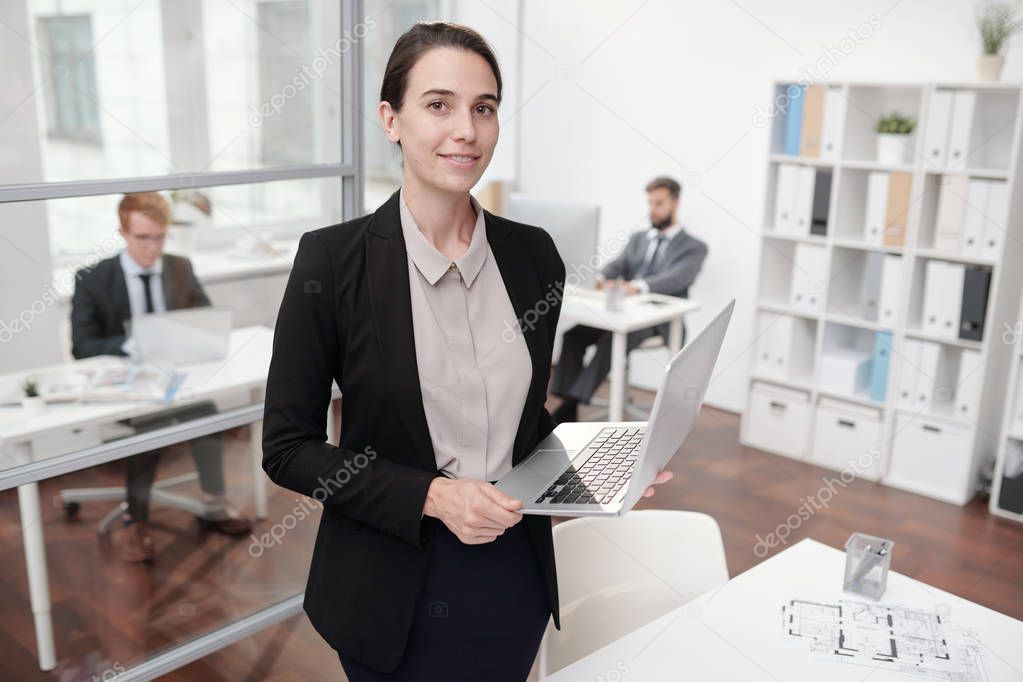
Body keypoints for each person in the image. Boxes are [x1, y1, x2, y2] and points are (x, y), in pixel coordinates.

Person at [261, 22, 673, 681]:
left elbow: (523, 425)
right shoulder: (332, 262)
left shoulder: (532, 254)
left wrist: (603, 469)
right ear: (390, 119)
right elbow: (287, 448)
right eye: (438, 105)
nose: (466, 130)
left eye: (484, 108)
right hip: (390, 585)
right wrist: (433, 495)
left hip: (512, 571)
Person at [70, 192, 253, 563]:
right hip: (128, 390)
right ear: (122, 232)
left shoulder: (180, 267)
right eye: (143, 238)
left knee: (207, 409)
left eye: (159, 237)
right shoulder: (93, 279)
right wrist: (131, 343)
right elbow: (82, 346)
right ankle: (134, 522)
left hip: (178, 382)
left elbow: (206, 322)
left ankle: (215, 504)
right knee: (151, 422)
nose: (153, 248)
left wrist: (182, 336)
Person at [550, 176, 708, 423]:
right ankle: (567, 402)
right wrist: (600, 277)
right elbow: (619, 264)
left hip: (655, 321)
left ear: (675, 203)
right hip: (622, 314)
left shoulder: (694, 247)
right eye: (650, 203)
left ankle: (571, 404)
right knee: (574, 335)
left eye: (659, 204)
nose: (652, 210)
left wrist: (635, 287)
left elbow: (677, 279)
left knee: (611, 341)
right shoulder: (639, 239)